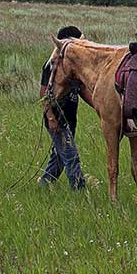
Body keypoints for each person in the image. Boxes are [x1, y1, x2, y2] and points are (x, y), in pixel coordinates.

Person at [39, 26, 85, 189]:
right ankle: (80, 189)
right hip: (57, 118)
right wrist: (51, 118)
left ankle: (44, 184)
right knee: (71, 155)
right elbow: (43, 94)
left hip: (70, 118)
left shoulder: (72, 66)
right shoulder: (51, 65)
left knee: (59, 156)